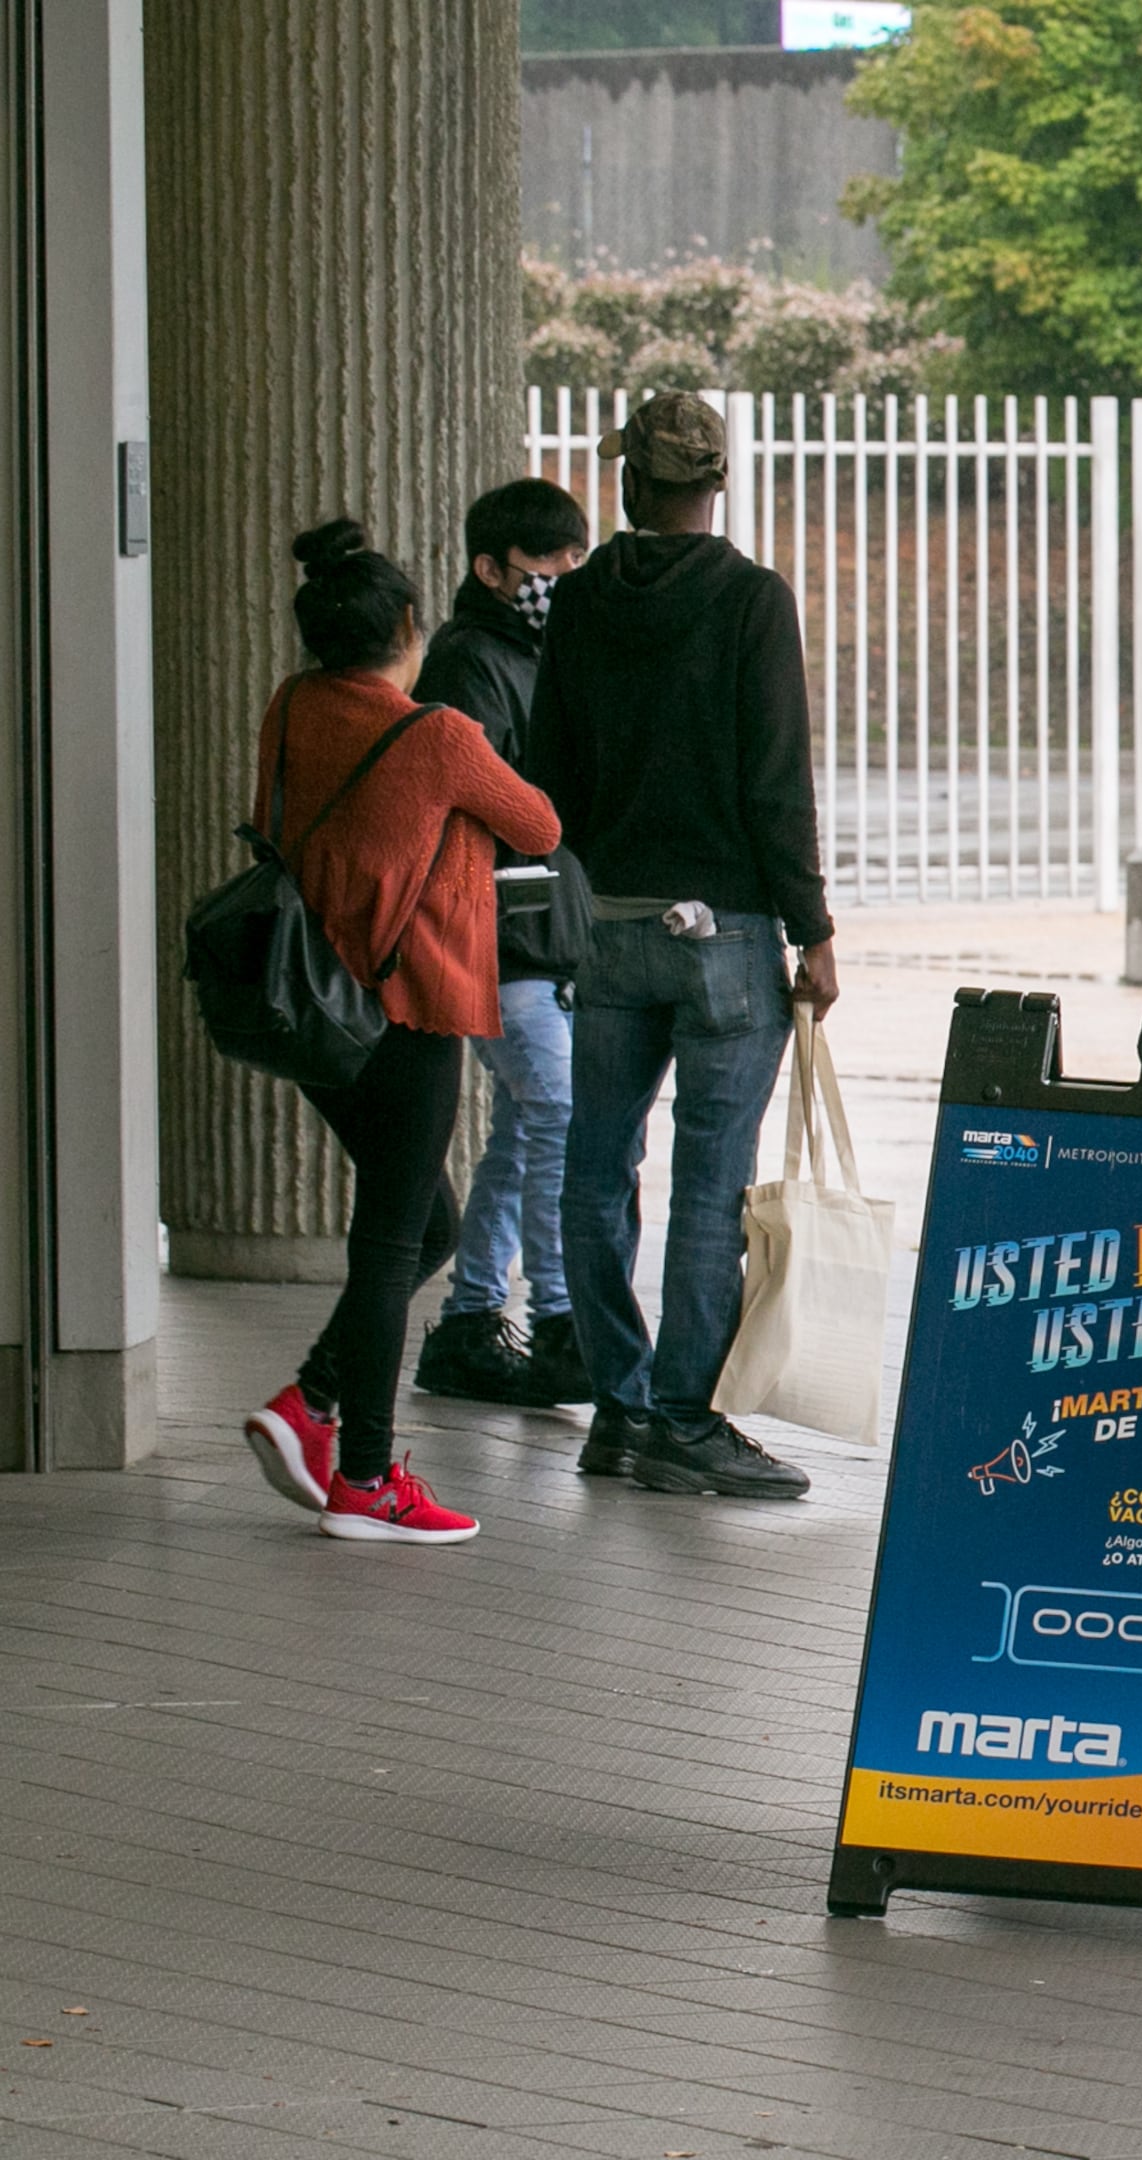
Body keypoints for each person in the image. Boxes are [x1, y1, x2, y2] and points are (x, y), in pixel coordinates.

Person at [527, 391, 838, 1502]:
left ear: (627, 485)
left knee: (594, 1167)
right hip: (727, 932)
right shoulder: (752, 600)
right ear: (718, 483)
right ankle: (683, 1418)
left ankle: (616, 1405)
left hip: (610, 924)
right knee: (713, 1185)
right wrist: (814, 929)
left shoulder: (579, 602)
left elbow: (545, 769)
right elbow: (775, 777)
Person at [236, 520, 564, 1544]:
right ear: (410, 629)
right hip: (408, 1012)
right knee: (393, 1242)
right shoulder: (438, 736)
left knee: (429, 1227)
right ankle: (367, 1479)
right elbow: (541, 827)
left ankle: (310, 1405)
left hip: (312, 1010)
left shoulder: (292, 706)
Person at [411, 477, 595, 1411]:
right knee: (558, 1106)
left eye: (575, 554)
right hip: (499, 934)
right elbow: (507, 805)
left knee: (530, 1119)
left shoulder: (540, 650)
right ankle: (562, 1320)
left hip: (538, 931)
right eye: (548, 559)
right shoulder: (469, 660)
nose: (566, 572)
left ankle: (471, 1321)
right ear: (490, 569)